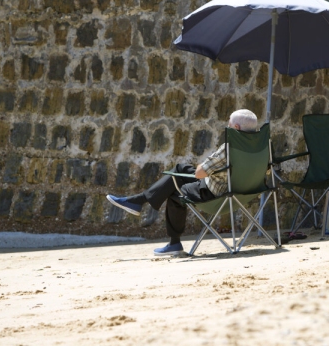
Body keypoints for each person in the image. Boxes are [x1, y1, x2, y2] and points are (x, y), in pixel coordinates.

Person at [107, 109, 258, 256]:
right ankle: (138, 201)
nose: (228, 127)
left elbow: (199, 173)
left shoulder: (229, 148)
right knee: (180, 168)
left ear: (236, 127)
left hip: (216, 193)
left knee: (174, 190)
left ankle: (173, 242)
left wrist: (206, 164)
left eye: (229, 124)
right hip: (244, 192)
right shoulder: (261, 146)